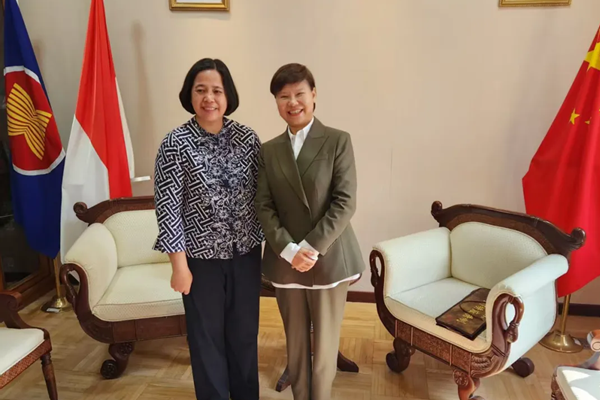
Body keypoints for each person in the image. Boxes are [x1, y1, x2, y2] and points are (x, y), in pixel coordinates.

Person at [153, 58, 263, 400]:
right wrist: (179, 266)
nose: (209, 98)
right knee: (206, 338)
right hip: (200, 261)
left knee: (244, 335)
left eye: (217, 90)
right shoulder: (175, 144)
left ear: (228, 95)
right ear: (190, 95)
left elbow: (264, 196)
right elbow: (168, 208)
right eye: (201, 90)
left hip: (246, 255)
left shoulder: (248, 139)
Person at [255, 63, 365, 400]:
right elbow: (263, 205)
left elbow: (345, 202)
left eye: (299, 94)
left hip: (328, 257)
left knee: (325, 347)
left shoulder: (337, 140)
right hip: (285, 260)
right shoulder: (269, 149)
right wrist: (290, 250)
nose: (292, 102)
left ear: (314, 95)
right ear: (276, 102)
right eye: (283, 96)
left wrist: (311, 247)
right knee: (297, 344)